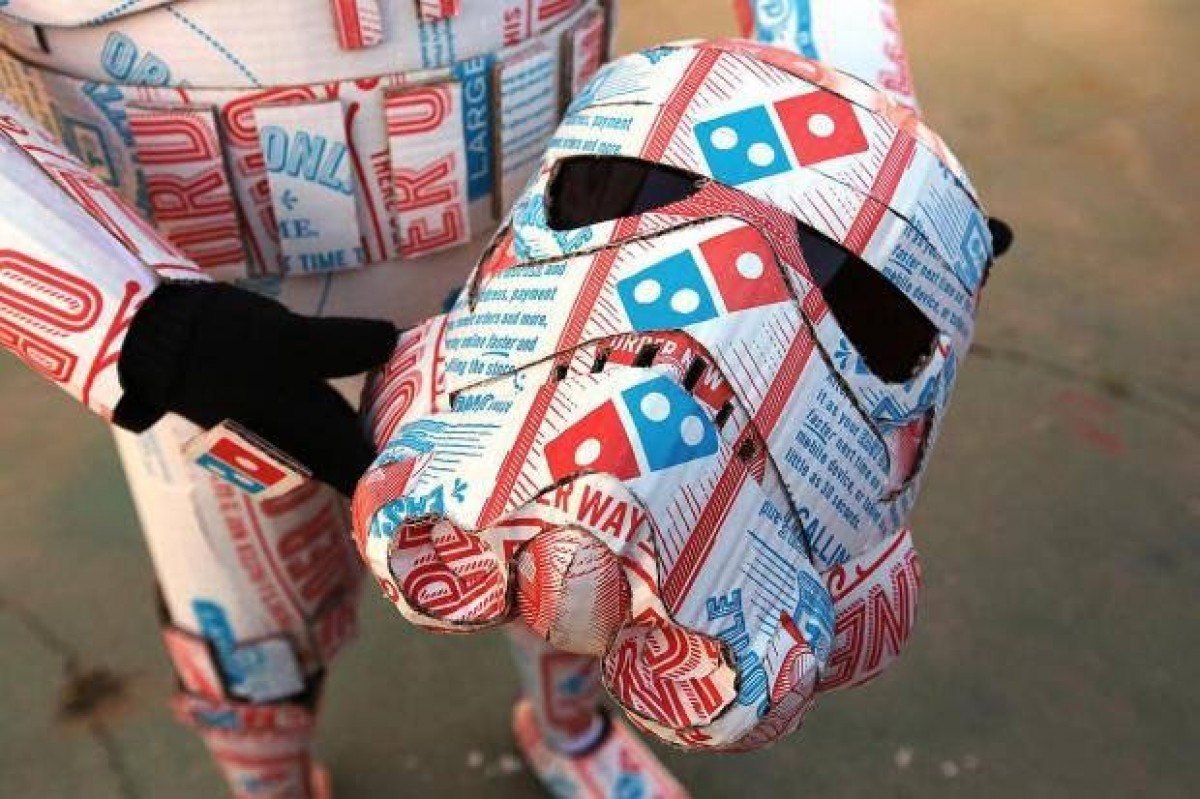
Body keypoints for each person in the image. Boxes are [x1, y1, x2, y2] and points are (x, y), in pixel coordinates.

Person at [0, 1, 994, 796]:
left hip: (565, 240)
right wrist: (130, 317)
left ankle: (571, 729)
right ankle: (269, 784)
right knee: (246, 618)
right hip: (193, 278)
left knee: (612, 532)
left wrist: (878, 165)